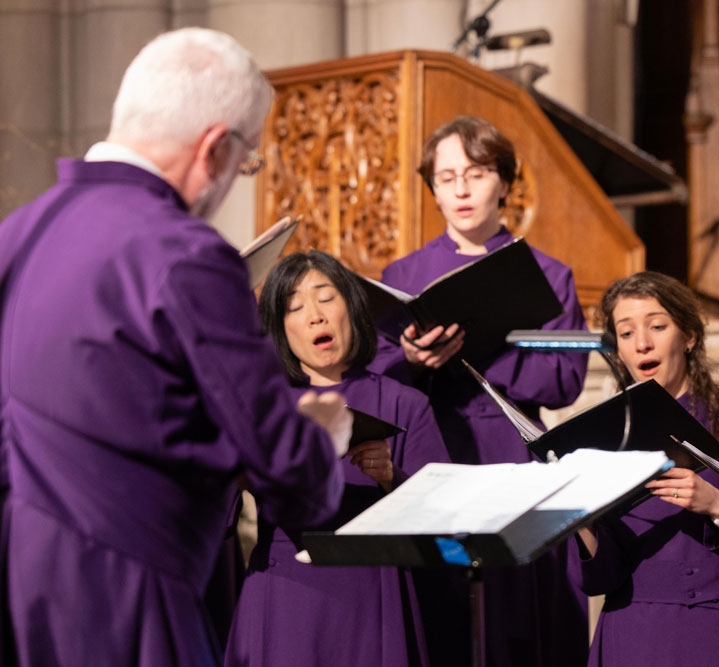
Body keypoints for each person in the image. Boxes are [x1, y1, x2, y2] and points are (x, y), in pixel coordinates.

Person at [0, 28, 352, 667]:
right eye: (247, 162)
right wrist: (322, 438)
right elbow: (287, 474)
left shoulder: (17, 235)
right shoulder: (184, 253)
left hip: (22, 594)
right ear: (215, 149)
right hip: (134, 602)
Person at [368, 115, 590, 666]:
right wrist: (414, 361)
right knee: (442, 616)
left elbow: (565, 380)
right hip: (431, 455)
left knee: (518, 621)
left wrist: (482, 350)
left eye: (476, 172)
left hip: (514, 456)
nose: (462, 189)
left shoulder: (548, 273)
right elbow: (373, 378)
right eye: (446, 177)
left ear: (505, 183)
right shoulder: (404, 272)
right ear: (433, 190)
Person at [225, 250, 451, 667]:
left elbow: (446, 530)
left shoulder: (406, 403)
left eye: (325, 298)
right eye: (294, 306)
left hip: (373, 593)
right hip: (284, 589)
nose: (314, 315)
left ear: (352, 306)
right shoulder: (263, 404)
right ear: (282, 329)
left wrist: (391, 478)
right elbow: (216, 509)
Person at [573, 271, 719, 667]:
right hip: (627, 634)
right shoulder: (599, 439)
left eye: (657, 326)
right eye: (625, 333)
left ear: (689, 336)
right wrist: (580, 521)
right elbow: (597, 580)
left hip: (711, 632)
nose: (642, 343)